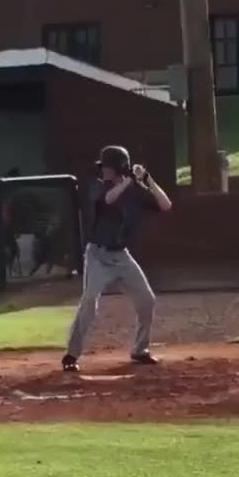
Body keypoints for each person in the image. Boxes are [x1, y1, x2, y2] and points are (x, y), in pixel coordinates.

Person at [62, 145, 172, 372]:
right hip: (97, 255)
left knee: (146, 300)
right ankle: (72, 354)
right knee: (89, 301)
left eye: (107, 167)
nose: (103, 171)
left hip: (121, 256)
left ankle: (140, 350)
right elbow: (110, 200)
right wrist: (129, 181)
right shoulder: (99, 186)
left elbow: (166, 205)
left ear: (118, 168)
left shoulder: (134, 189)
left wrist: (148, 180)